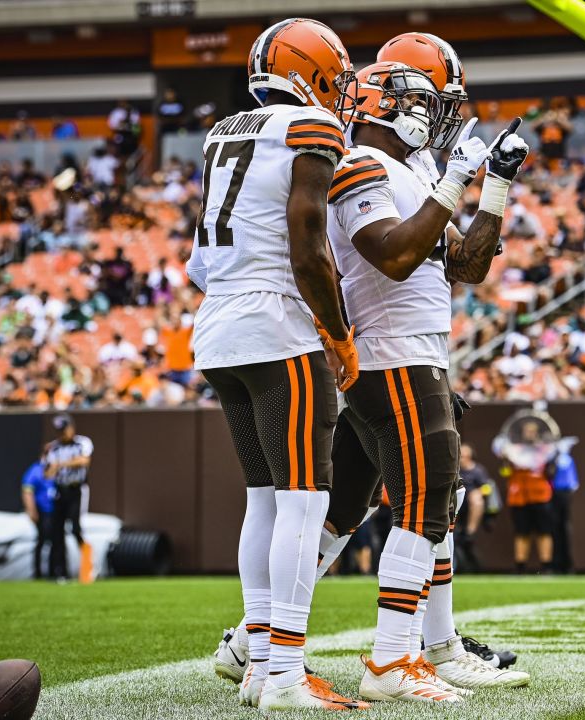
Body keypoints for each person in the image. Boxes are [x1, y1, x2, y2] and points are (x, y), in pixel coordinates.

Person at [318, 54, 528, 698]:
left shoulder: (411, 171)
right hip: (390, 352)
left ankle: (253, 639)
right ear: (397, 106)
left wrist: (494, 181)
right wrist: (453, 183)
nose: (439, 119)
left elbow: (466, 264)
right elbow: (398, 256)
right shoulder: (360, 164)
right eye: (430, 105)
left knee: (345, 510)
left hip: (409, 351)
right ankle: (394, 659)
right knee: (427, 501)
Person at [192, 19, 363, 711]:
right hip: (276, 324)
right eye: (337, 76)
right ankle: (287, 674)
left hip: (219, 324)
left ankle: (263, 663)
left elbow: (203, 258)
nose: (342, 92)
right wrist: (339, 332)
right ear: (312, 71)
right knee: (303, 498)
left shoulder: (224, 131)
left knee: (263, 497)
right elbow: (308, 243)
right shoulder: (310, 130)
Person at [42, 414, 93, 580]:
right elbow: (47, 474)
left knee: (76, 528)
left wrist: (61, 464)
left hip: (76, 489)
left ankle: (88, 567)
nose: (62, 434)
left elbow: (84, 461)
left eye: (64, 430)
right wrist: (50, 464)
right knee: (57, 532)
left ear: (71, 428)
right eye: (59, 431)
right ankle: (60, 572)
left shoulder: (82, 442)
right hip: (59, 491)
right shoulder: (53, 448)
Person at [504, 420, 556, 575]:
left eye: (533, 431)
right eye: (528, 431)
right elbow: (506, 472)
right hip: (519, 495)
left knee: (544, 531)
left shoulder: (546, 450)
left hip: (541, 494)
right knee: (521, 532)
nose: (530, 434)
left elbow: (552, 472)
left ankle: (547, 565)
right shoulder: (514, 450)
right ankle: (520, 565)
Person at [454, 442, 491, 573]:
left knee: (477, 499)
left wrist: (478, 491)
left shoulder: (478, 470)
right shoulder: (455, 470)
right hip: (456, 503)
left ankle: (470, 531)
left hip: (471, 504)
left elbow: (487, 488)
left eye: (464, 456)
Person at [21, 459, 57, 579]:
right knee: (42, 541)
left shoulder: (59, 467)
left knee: (56, 542)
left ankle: (55, 572)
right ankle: (38, 573)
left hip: (56, 512)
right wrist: (31, 510)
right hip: (43, 512)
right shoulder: (36, 470)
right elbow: (27, 489)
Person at [549, 438, 579, 573]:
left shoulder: (567, 460)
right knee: (554, 528)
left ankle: (566, 564)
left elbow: (573, 481)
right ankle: (557, 563)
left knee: (563, 527)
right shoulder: (554, 460)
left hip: (563, 495)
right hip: (554, 494)